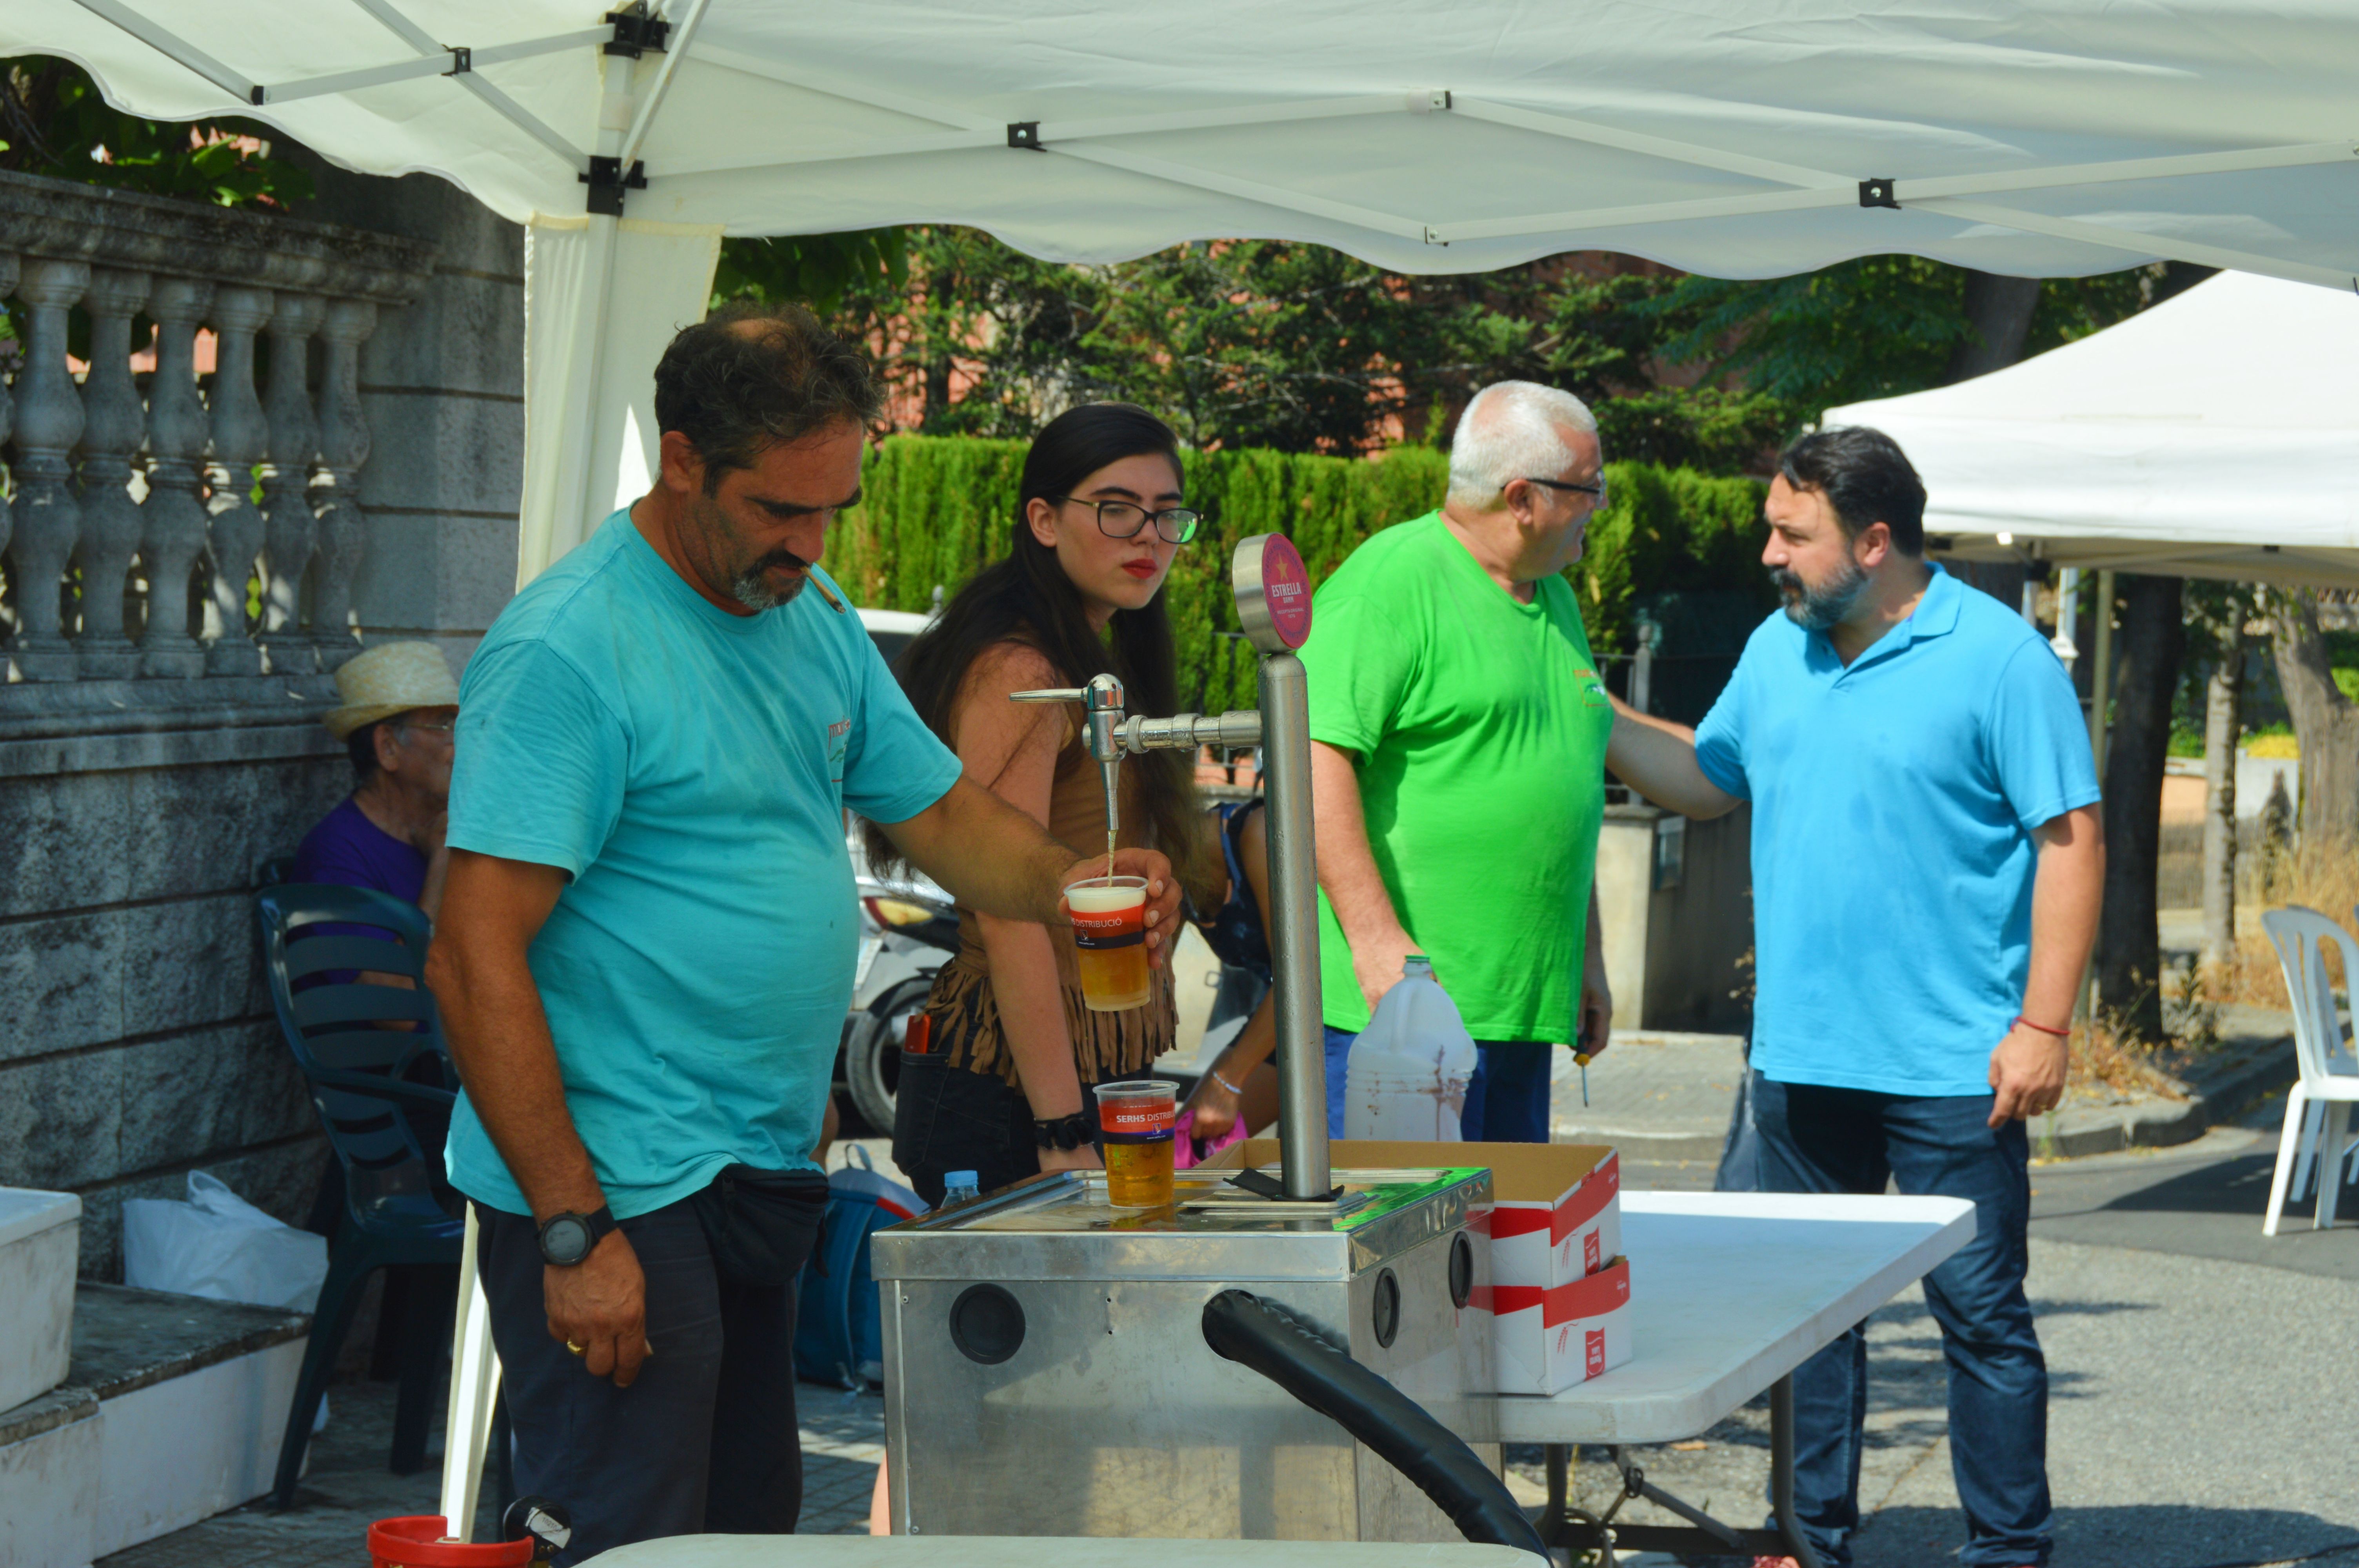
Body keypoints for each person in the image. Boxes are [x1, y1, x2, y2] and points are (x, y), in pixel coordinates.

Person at [424, 309, 1181, 1563]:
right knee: (628, 1541)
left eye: (833, 507)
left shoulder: (805, 607)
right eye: (781, 510)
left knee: (743, 1536)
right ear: (681, 462)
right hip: (616, 1184)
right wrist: (572, 1229)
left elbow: (935, 808)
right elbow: (470, 952)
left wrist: (1070, 884)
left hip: (749, 1168)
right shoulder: (570, 647)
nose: (810, 544)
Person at [1604, 425, 2103, 1568]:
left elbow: (2070, 841)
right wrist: (1595, 715)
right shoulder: (1776, 648)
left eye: (1793, 534)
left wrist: (2043, 1024)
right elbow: (1706, 779)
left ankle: (2006, 1549)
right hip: (1797, 1059)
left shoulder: (1998, 658)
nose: (1771, 555)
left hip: (1951, 1067)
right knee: (1800, 1317)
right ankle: (1804, 1533)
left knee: (1978, 1316)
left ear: (1873, 542)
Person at [879, 403, 1210, 1207]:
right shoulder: (1020, 671)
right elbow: (1006, 910)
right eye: (1115, 508)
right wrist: (1062, 1130)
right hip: (1016, 1091)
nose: (1147, 537)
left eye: (1167, 515)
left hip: (1084, 1075)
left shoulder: (1102, 655)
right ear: (1042, 519)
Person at [1301, 380, 1615, 1143]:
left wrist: (1586, 953)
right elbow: (1308, 757)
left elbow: (1558, 784)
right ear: (1522, 498)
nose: (1600, 506)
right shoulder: (1391, 581)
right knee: (1404, 1251)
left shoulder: (1552, 598)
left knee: (1501, 1257)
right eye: (1589, 488)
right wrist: (1376, 942)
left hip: (1515, 1013)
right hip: (1399, 1020)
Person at [294, 640, 460, 919]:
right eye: (445, 725)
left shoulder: (451, 828)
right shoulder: (338, 852)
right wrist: (441, 868)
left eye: (462, 724)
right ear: (388, 747)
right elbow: (376, 966)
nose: (463, 740)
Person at [1175, 795, 1281, 1152]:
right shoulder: (1176, 877)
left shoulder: (1259, 833)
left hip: (1334, 1012)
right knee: (1186, 1153)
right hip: (1285, 1023)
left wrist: (1228, 1081)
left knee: (1308, 1172)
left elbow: (1305, 980)